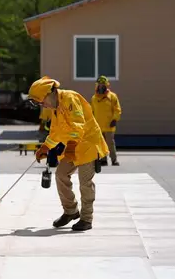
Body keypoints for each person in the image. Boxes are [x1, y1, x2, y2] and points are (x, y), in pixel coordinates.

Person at [28, 76, 109, 231]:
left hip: (88, 146)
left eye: (41, 101)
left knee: (85, 183)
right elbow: (56, 132)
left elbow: (78, 125)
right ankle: (71, 211)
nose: (42, 105)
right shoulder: (56, 108)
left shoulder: (70, 98)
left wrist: (71, 146)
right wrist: (45, 147)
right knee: (61, 175)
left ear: (49, 94)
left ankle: (86, 219)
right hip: (73, 148)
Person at [91, 76, 122, 166]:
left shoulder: (112, 97)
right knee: (100, 144)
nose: (101, 87)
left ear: (107, 86)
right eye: (99, 85)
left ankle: (114, 160)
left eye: (103, 85)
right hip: (98, 126)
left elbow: (117, 109)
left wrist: (115, 119)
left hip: (109, 125)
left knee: (110, 143)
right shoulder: (94, 98)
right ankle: (103, 159)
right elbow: (91, 111)